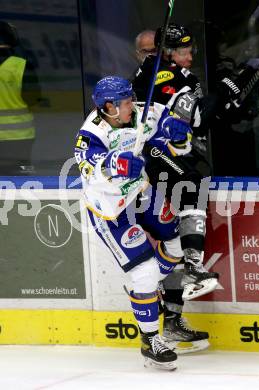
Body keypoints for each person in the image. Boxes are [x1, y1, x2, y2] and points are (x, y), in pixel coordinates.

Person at [74, 76, 215, 370]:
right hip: (111, 210)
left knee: (176, 242)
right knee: (146, 272)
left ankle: (150, 287)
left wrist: (177, 134)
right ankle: (150, 340)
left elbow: (179, 144)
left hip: (141, 192)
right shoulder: (90, 134)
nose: (132, 105)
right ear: (108, 107)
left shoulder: (143, 112)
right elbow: (90, 169)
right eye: (125, 102)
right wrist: (116, 165)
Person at [133, 23, 222, 354]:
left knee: (175, 240)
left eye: (189, 51)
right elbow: (153, 91)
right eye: (180, 52)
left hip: (172, 159)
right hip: (150, 164)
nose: (188, 57)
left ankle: (171, 320)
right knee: (192, 188)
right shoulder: (149, 77)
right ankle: (193, 266)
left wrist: (219, 98)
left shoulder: (182, 78)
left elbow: (196, 119)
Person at [0, 21, 40, 175]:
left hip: (20, 136)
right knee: (19, 178)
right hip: (20, 136)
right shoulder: (22, 66)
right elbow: (33, 99)